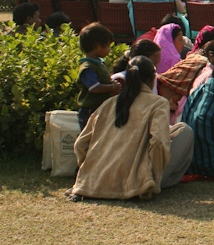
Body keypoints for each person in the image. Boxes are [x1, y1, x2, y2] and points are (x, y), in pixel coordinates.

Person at [69, 56, 194, 200]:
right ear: (151, 79)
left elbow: (80, 144)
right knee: (185, 131)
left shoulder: (109, 103)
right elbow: (158, 142)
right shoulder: (158, 103)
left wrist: (90, 170)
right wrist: (151, 176)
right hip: (135, 184)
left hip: (92, 183)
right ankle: (151, 182)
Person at [76, 23, 122, 129]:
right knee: (90, 137)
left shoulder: (99, 63)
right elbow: (94, 87)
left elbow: (104, 79)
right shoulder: (88, 67)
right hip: (90, 111)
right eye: (107, 46)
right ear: (96, 47)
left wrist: (111, 82)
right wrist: (112, 87)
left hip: (100, 108)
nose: (109, 50)